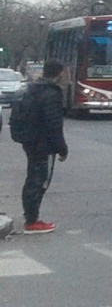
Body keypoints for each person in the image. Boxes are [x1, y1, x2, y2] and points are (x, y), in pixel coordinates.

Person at [20, 59, 69, 234]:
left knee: (32, 178)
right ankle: (32, 220)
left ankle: (30, 216)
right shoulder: (51, 94)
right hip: (44, 145)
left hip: (30, 141)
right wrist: (62, 149)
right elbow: (53, 125)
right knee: (40, 180)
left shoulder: (34, 90)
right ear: (59, 74)